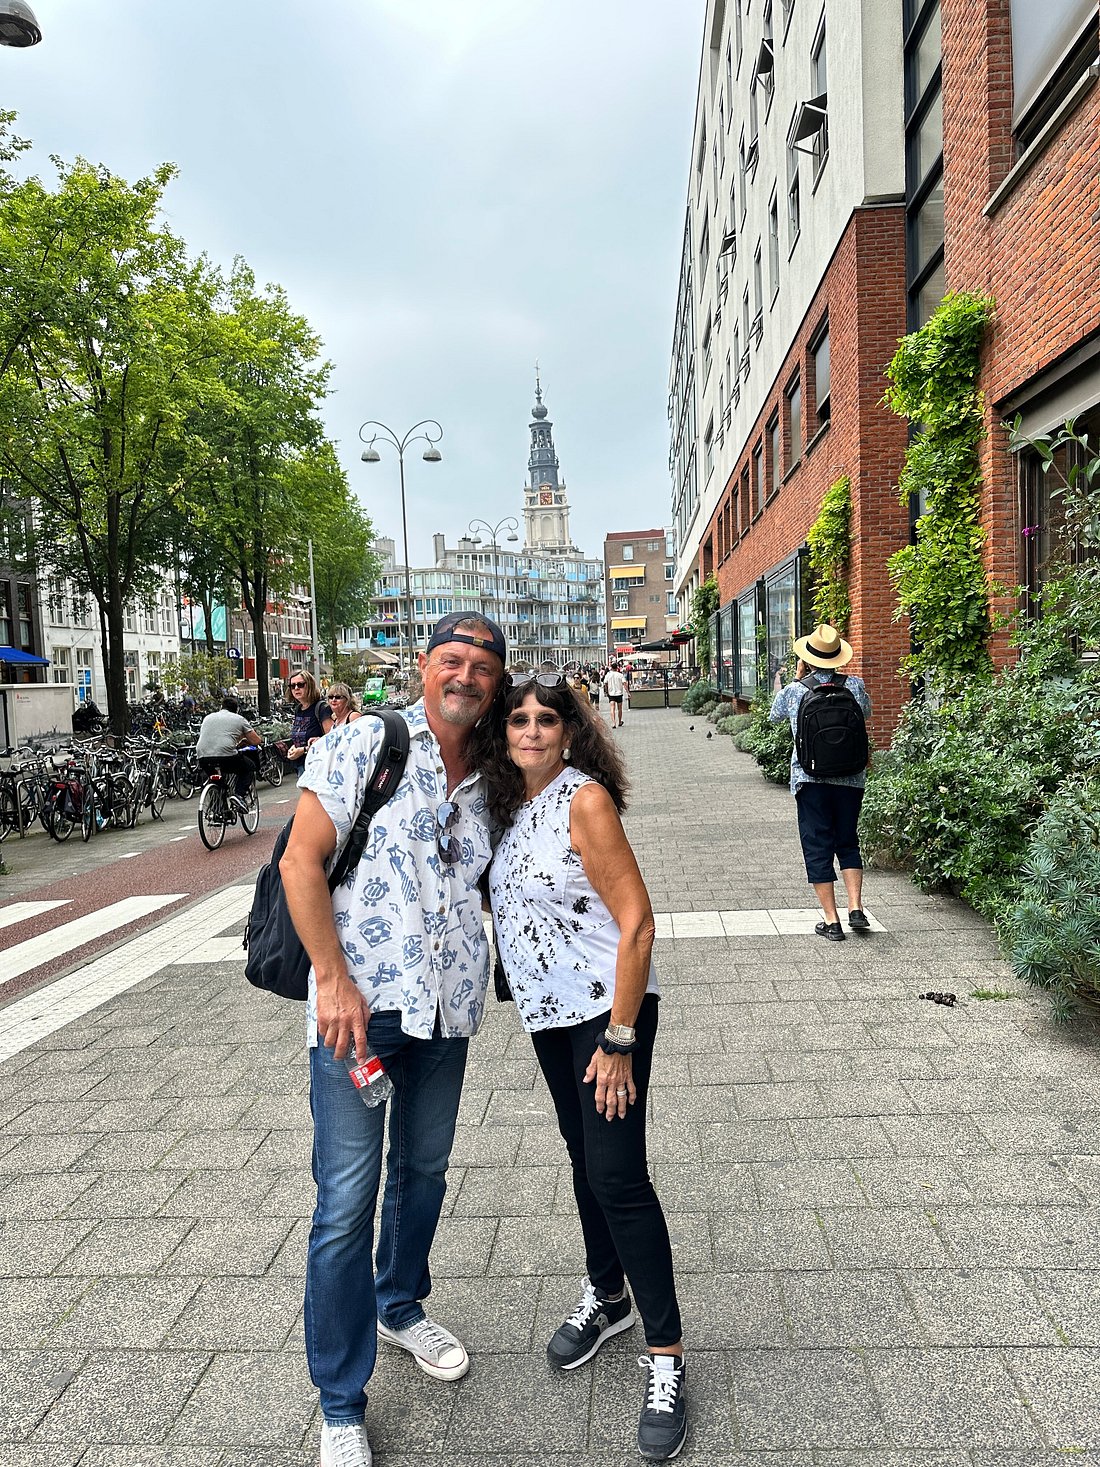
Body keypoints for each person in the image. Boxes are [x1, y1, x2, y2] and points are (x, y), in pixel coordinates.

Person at [279, 612, 507, 1467]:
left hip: (446, 1008)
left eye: (482, 666)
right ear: (424, 664)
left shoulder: (494, 772)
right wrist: (332, 978)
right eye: (452, 659)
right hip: (359, 1010)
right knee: (346, 1198)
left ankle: (399, 1303)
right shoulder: (367, 742)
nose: (466, 676)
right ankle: (341, 1402)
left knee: (425, 1170)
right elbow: (300, 861)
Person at [475, 673, 688, 1463]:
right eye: (518, 719)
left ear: (569, 731)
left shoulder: (583, 800)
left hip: (608, 1013)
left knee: (619, 1176)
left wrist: (621, 1037)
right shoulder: (506, 807)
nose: (531, 729)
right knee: (583, 1160)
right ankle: (608, 1292)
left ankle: (665, 1354)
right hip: (549, 1015)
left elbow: (639, 923)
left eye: (546, 719)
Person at [768, 623, 872, 941]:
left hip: (809, 778)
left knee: (817, 844)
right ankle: (856, 908)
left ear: (807, 659)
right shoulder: (854, 685)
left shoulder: (794, 691)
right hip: (851, 778)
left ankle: (832, 920)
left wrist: (797, 679)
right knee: (848, 840)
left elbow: (774, 715)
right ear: (837, 657)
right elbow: (866, 713)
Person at [194, 695, 262, 810]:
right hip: (226, 756)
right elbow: (256, 741)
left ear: (221, 707)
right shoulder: (239, 719)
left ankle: (219, 807)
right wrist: (244, 741)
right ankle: (239, 796)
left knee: (217, 781)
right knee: (249, 767)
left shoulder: (208, 717)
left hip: (203, 756)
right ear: (236, 709)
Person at [277, 669, 332, 771]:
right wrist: (294, 747)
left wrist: (303, 750)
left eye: (300, 685)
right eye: (292, 686)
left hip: (318, 766)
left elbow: (331, 739)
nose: (296, 688)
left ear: (310, 685)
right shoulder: (299, 709)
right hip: (301, 766)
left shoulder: (321, 708)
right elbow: (301, 736)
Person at [603, 662, 627, 727]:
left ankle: (613, 723)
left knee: (612, 708)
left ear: (611, 667)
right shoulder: (620, 675)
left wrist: (606, 691)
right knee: (620, 708)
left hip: (611, 693)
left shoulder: (608, 675)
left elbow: (605, 683)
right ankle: (620, 721)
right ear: (617, 668)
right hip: (619, 693)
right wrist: (628, 692)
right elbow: (624, 683)